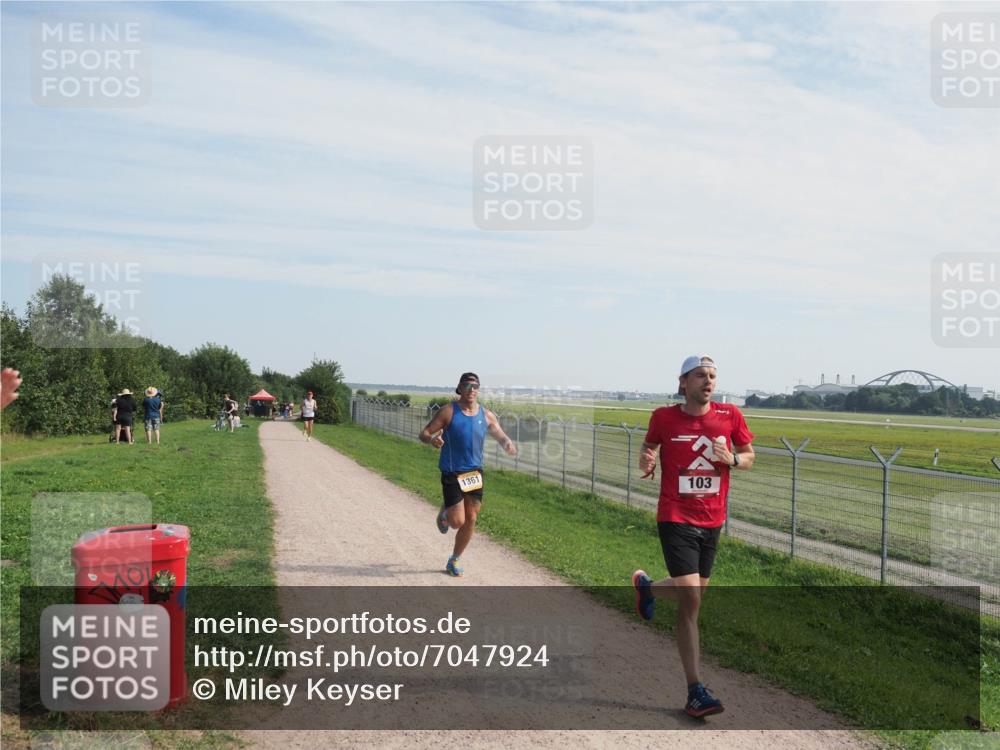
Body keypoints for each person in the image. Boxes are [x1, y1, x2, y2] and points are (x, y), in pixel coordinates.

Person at [631, 355, 755, 719]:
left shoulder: (730, 416)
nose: (709, 381)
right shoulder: (664, 417)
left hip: (712, 519)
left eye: (713, 375)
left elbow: (750, 455)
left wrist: (732, 459)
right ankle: (695, 690)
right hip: (675, 515)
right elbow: (648, 446)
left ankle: (648, 589)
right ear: (683, 381)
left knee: (696, 594)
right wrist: (646, 459)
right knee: (691, 598)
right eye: (701, 375)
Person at [419, 372, 517, 577]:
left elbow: (500, 435)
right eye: (467, 386)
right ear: (460, 388)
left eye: (475, 386)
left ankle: (454, 560)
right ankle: (446, 513)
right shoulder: (449, 411)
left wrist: (507, 443)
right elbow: (424, 433)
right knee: (457, 522)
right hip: (452, 472)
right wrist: (433, 440)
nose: (471, 390)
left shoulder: (486, 415)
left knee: (471, 518)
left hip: (474, 472)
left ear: (478, 389)